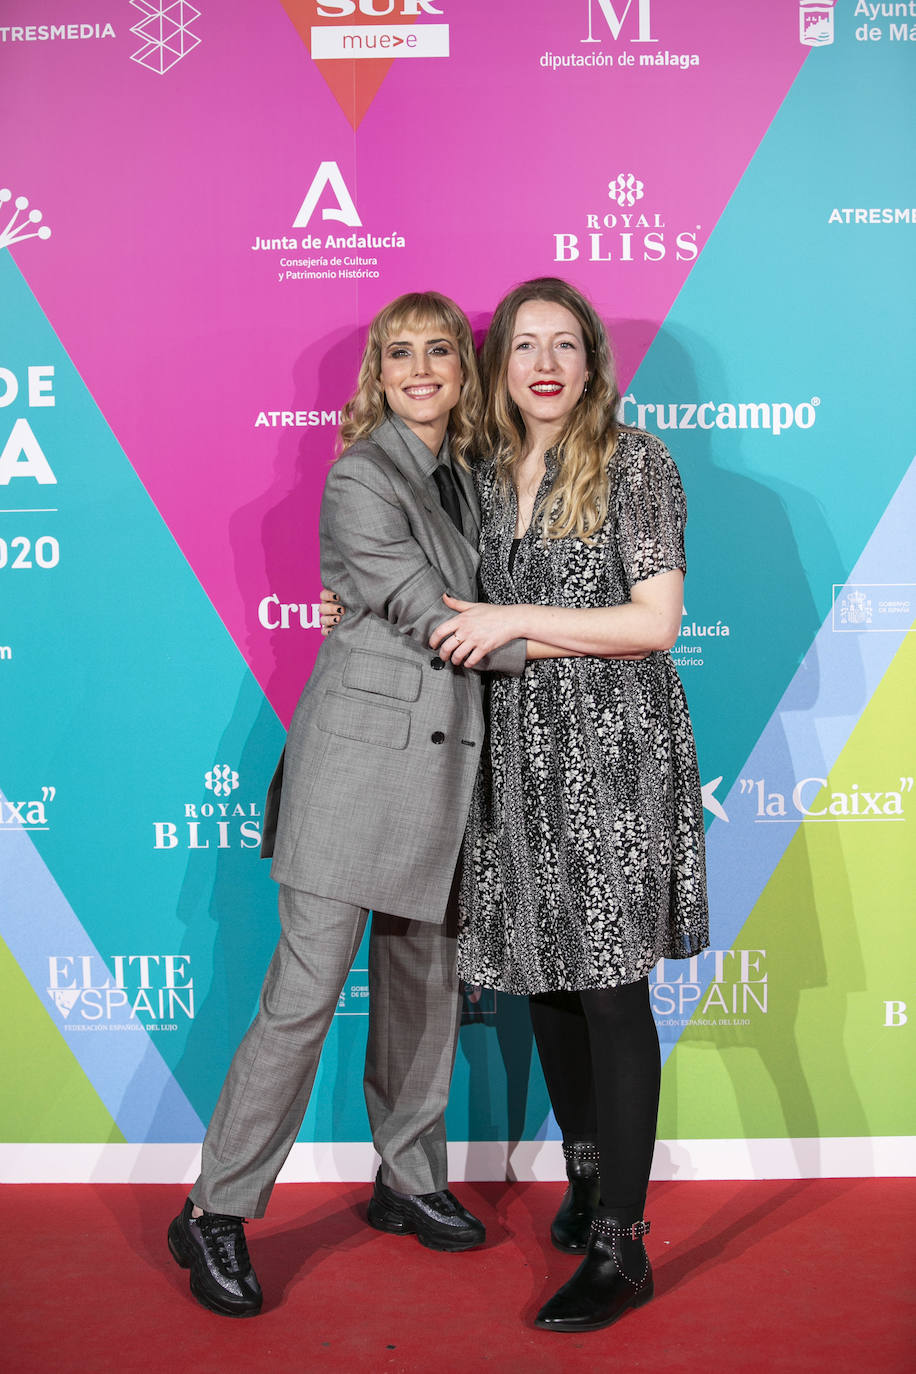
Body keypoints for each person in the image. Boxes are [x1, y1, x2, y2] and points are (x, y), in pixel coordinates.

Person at [167, 292, 528, 1317]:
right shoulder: (361, 476)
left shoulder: (476, 476)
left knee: (425, 997)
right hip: (355, 774)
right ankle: (215, 1210)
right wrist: (602, 637)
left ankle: (407, 1179)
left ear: (465, 368)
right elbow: (440, 616)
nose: (421, 369)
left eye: (439, 352)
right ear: (379, 371)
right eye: (401, 353)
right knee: (301, 1000)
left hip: (449, 773)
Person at [427, 277, 709, 1333]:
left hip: (612, 749)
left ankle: (622, 1246)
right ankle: (587, 1181)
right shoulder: (485, 473)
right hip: (512, 749)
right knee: (543, 974)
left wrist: (512, 627)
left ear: (592, 362)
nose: (544, 364)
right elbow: (454, 610)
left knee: (607, 989)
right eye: (523, 347)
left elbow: (653, 624)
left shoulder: (635, 462)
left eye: (565, 345)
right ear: (500, 368)